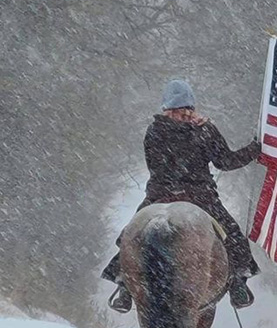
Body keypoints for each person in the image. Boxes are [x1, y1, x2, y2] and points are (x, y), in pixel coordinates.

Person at [102, 79, 261, 312]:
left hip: (180, 196)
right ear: (167, 110)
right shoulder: (165, 130)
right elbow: (165, 163)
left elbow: (223, 161)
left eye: (187, 109)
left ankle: (237, 280)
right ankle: (125, 284)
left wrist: (253, 149)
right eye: (179, 110)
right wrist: (195, 131)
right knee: (129, 236)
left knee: (232, 232)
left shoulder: (190, 129)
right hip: (180, 195)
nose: (184, 114)